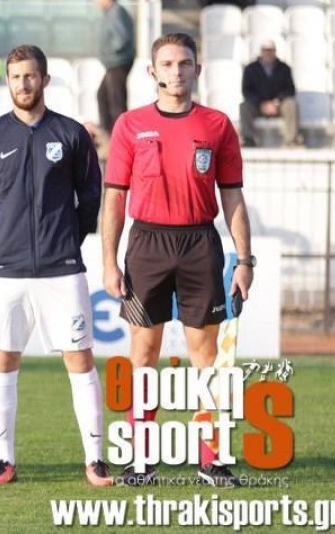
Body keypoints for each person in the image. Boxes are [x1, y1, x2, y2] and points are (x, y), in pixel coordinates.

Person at [102, 33, 254, 488]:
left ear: (197, 69)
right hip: (146, 245)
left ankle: (211, 461)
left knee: (205, 355)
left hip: (199, 244)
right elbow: (114, 199)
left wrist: (245, 260)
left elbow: (233, 197)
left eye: (184, 63)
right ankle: (140, 460)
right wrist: (109, 261)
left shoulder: (217, 125)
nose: (176, 71)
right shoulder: (130, 125)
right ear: (152, 72)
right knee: (143, 353)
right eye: (167, 64)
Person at [0, 45, 111, 487]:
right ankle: (4, 461)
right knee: (3, 358)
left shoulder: (71, 134)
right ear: (7, 81)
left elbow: (91, 196)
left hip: (62, 269)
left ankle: (95, 460)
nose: (23, 84)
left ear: (45, 80)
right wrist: (1, 244)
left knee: (80, 359)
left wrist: (67, 240)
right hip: (7, 272)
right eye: (16, 77)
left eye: (30, 76)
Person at [94, 0, 136, 136]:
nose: (96, 1)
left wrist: (109, 53)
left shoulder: (116, 12)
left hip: (118, 62)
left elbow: (121, 38)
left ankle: (120, 135)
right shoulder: (111, 12)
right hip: (113, 63)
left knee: (116, 101)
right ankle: (108, 133)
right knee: (103, 95)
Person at [239, 40, 298, 147]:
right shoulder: (250, 69)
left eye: (271, 50)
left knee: (290, 104)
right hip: (258, 106)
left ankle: (291, 140)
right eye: (266, 50)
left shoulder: (284, 68)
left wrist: (277, 101)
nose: (268, 53)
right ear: (261, 52)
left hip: (278, 105)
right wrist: (261, 104)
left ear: (275, 51)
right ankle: (248, 139)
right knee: (244, 106)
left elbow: (290, 89)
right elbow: (246, 91)